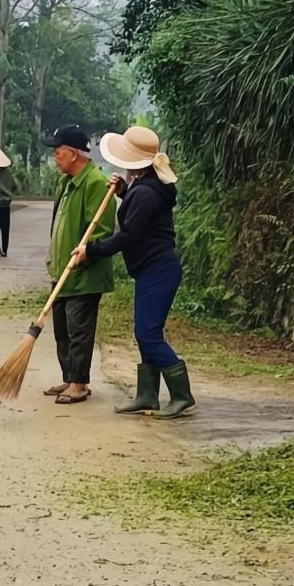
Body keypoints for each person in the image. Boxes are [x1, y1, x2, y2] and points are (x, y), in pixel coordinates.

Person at [71, 125, 191, 417]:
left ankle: (181, 395)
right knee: (145, 332)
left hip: (158, 270)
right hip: (151, 270)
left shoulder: (147, 191)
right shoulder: (146, 185)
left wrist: (91, 250)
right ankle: (147, 395)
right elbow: (141, 216)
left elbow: (128, 236)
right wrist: (125, 191)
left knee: (148, 335)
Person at [44, 125, 116, 405]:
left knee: (79, 330)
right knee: (62, 329)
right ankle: (70, 377)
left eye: (58, 152)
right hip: (62, 270)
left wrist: (86, 253)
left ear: (73, 154)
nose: (55, 158)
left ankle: (79, 383)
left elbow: (102, 231)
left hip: (83, 275)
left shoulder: (95, 183)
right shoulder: (66, 182)